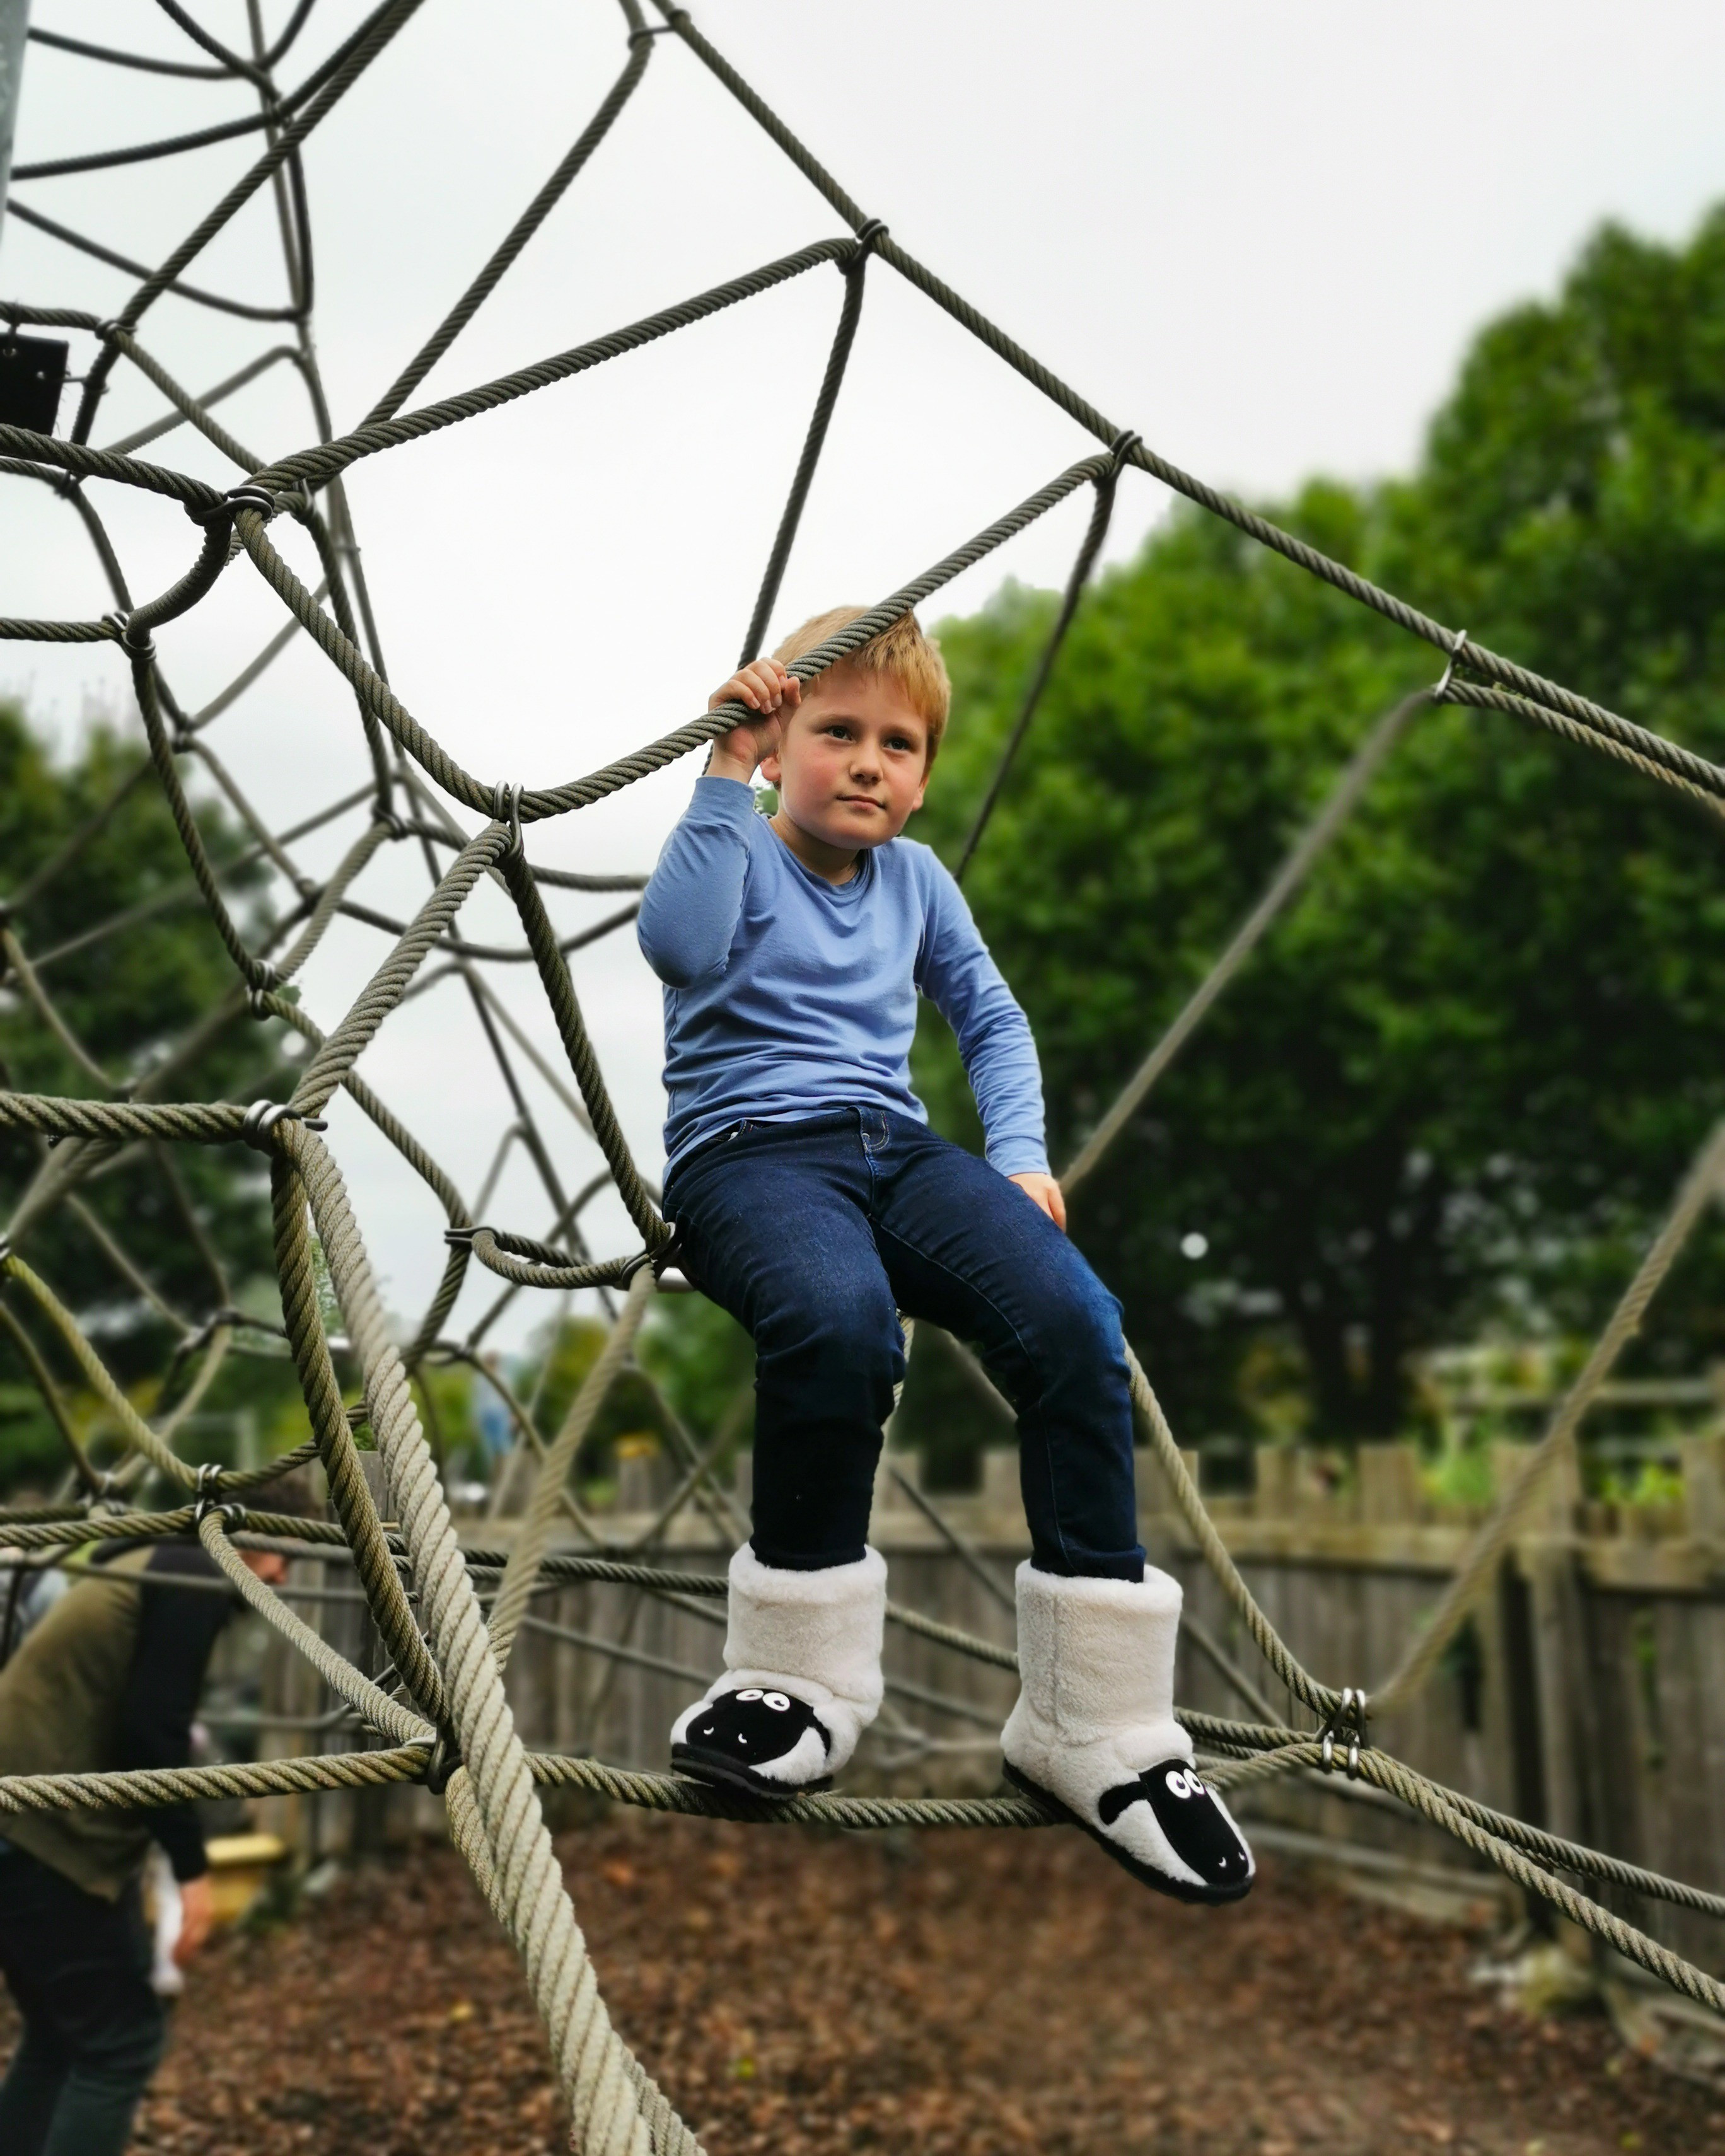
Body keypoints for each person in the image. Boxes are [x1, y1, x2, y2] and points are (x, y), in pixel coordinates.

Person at [637, 606, 1255, 1904]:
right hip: (748, 1156)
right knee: (840, 1322)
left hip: (895, 1150)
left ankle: (1096, 1722)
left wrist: (1020, 1156)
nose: (869, 764)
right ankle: (793, 1676)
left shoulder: (917, 882)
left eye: (900, 745)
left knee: (1076, 1326)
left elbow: (990, 1014)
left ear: (924, 775)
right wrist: (723, 768)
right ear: (781, 743)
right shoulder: (738, 844)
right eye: (837, 734)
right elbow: (678, 947)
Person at [0, 1479, 308, 2154]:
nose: (284, 1575)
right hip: (42, 1833)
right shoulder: (193, 1574)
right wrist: (192, 1872)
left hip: (23, 1822)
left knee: (60, 2036)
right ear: (247, 1534)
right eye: (285, 1553)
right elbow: (151, 1736)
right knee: (120, 2045)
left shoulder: (154, 1558)